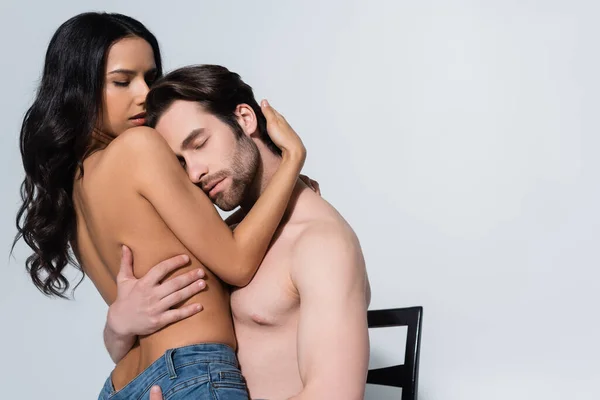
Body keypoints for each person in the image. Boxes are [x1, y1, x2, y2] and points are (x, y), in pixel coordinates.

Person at [14, 12, 306, 399]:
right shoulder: (139, 149)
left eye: (151, 78)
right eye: (122, 81)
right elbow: (237, 264)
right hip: (192, 375)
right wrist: (291, 163)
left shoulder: (73, 192)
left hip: (124, 386)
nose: (144, 95)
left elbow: (194, 249)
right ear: (78, 88)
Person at [108, 65, 372, 400]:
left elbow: (336, 395)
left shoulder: (321, 243)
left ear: (245, 119)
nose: (194, 174)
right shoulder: (228, 240)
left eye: (199, 143)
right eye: (181, 163)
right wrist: (120, 325)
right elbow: (143, 349)